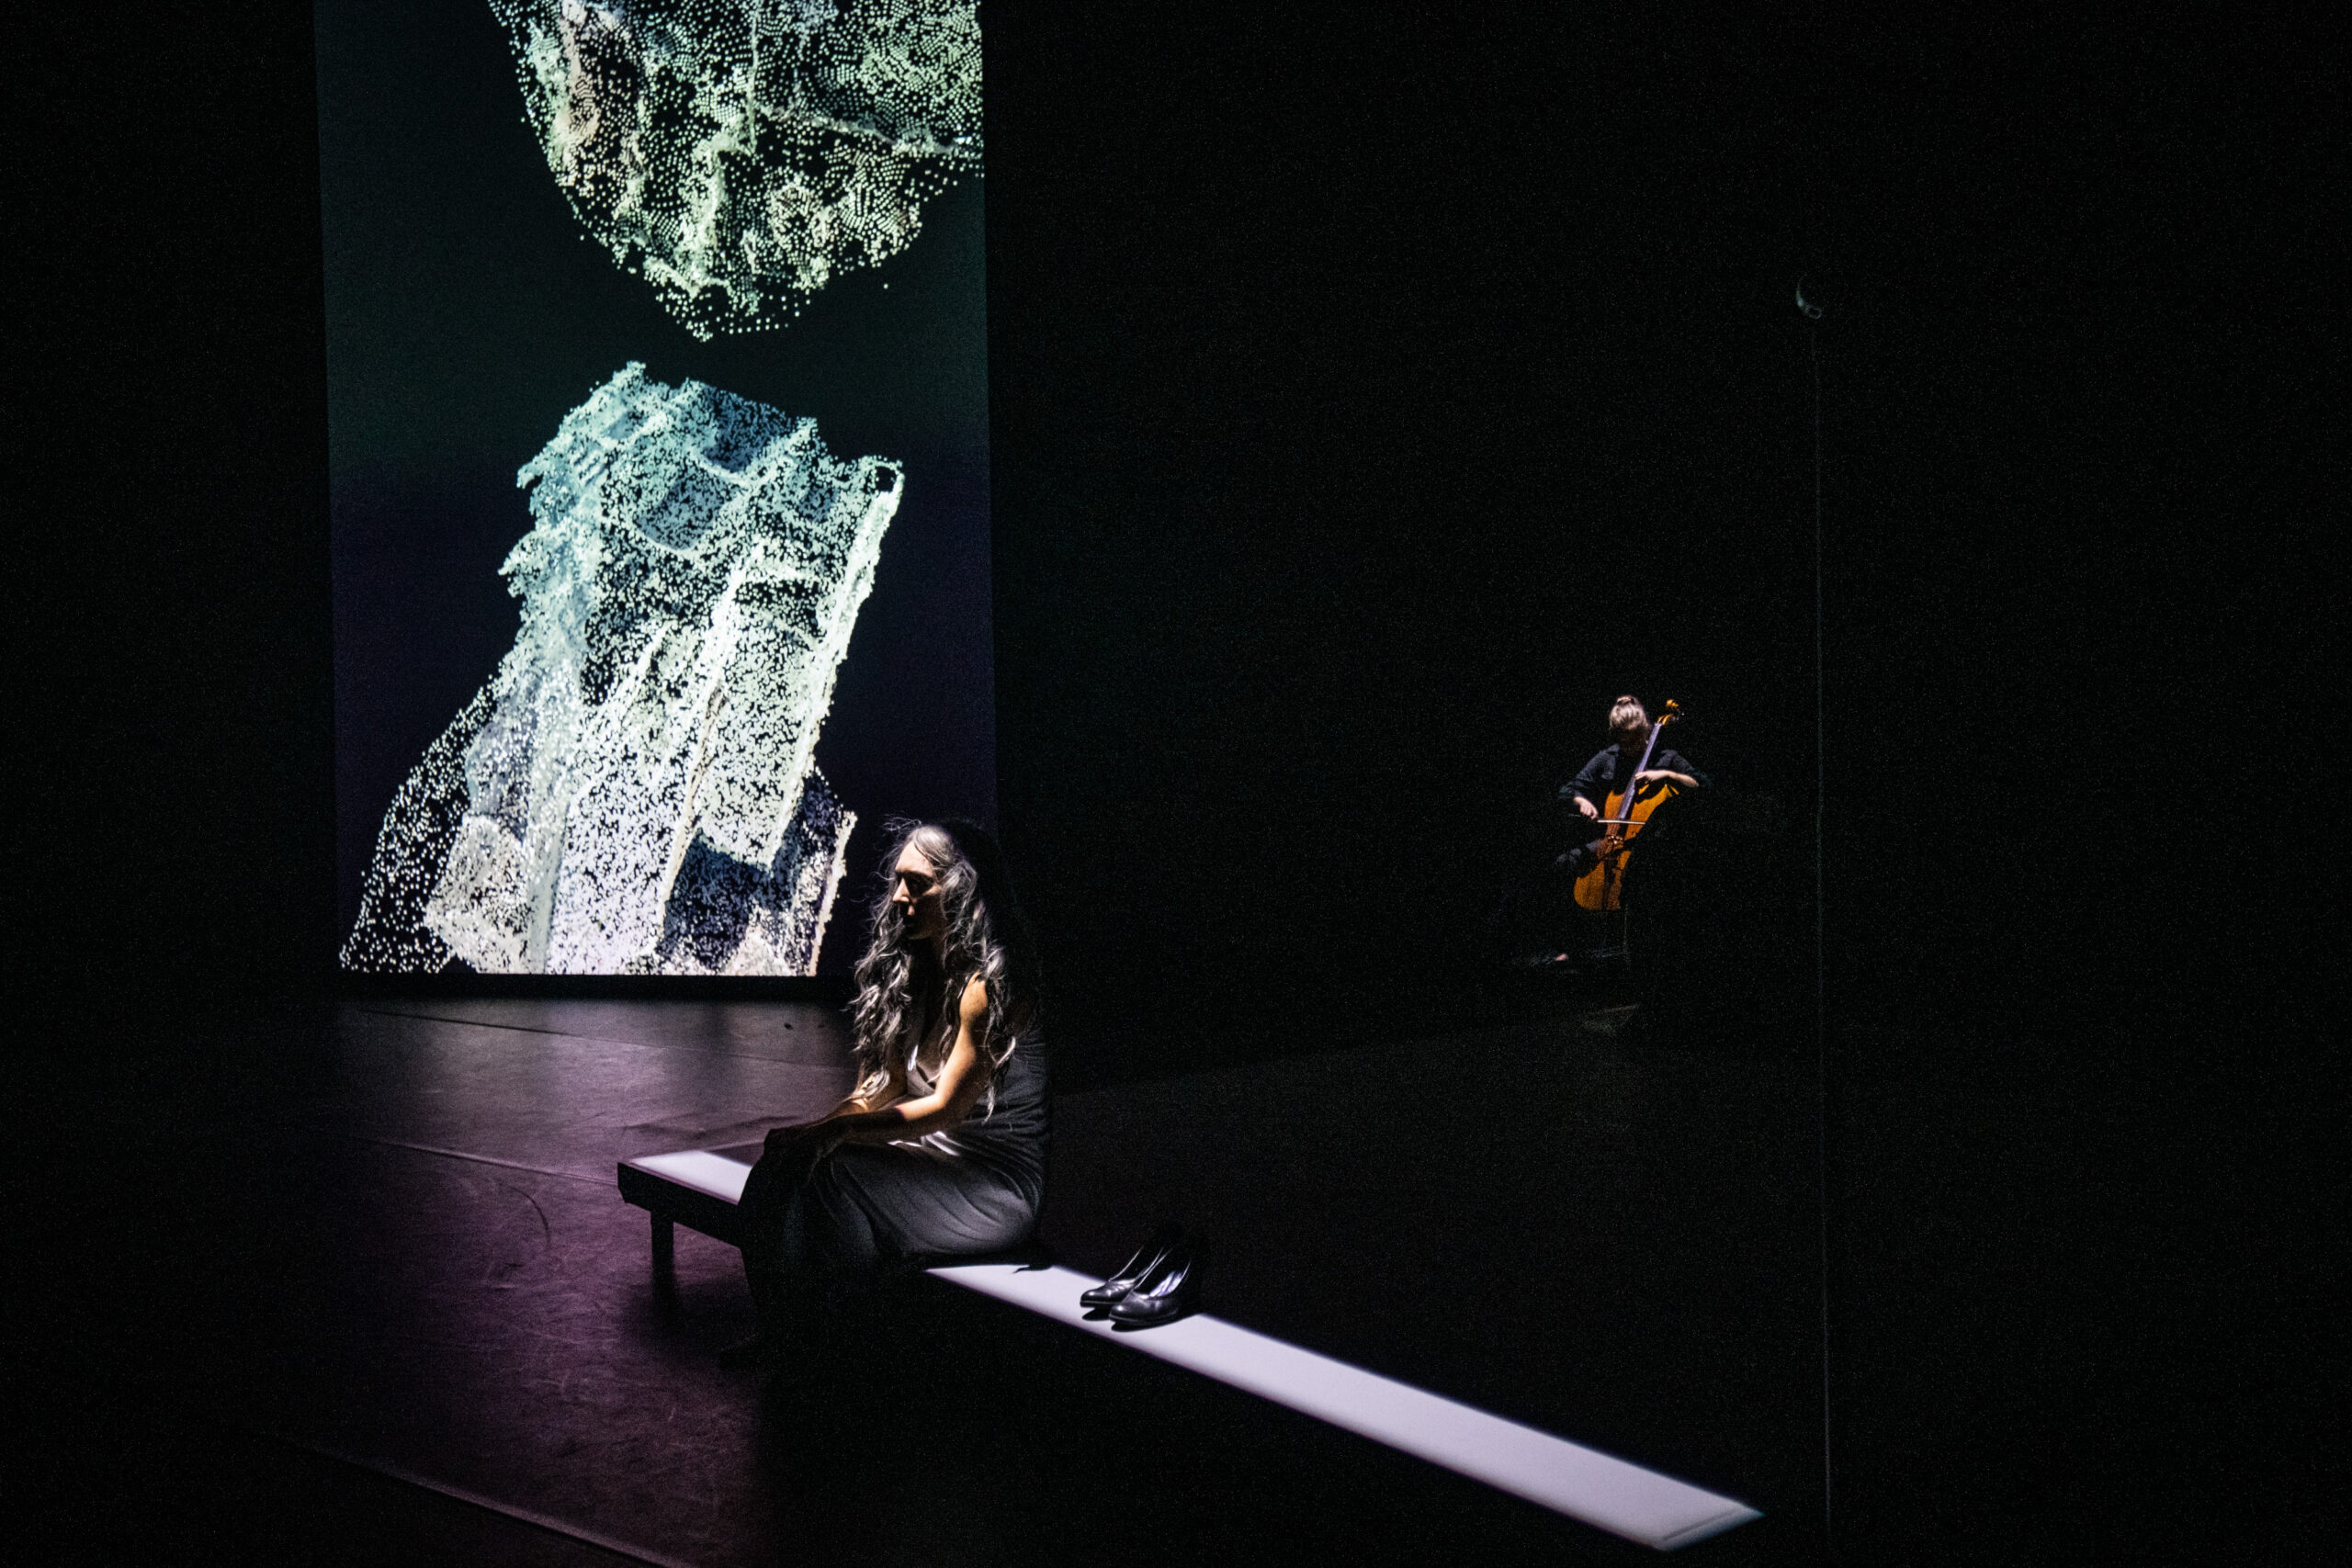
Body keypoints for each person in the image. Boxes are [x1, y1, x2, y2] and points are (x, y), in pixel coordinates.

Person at [727, 818, 1046, 1371]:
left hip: (995, 1188)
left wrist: (834, 1136)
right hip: (926, 1163)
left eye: (917, 884)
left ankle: (848, 1340)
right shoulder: (915, 972)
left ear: (963, 890)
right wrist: (812, 1135)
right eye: (898, 880)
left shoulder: (993, 985)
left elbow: (946, 1108)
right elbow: (879, 1091)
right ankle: (785, 1329)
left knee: (834, 1175)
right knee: (781, 1170)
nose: (899, 896)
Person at [1557, 695, 1707, 877]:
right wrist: (1581, 801)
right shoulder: (1608, 758)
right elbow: (1569, 790)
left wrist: (1669, 775)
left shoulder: (1666, 758)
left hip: (1653, 845)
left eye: (1634, 740)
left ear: (1644, 731)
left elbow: (1702, 785)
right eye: (1623, 742)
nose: (1628, 747)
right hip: (1611, 841)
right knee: (1564, 862)